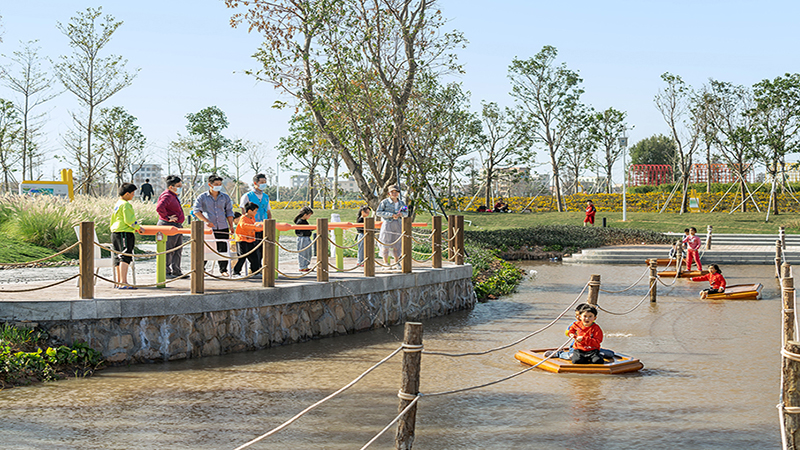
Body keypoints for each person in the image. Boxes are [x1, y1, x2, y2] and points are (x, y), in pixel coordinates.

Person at [193, 174, 235, 277]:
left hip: (222, 226)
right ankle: (201, 269)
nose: (218, 186)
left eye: (220, 184)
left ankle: (223, 270)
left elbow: (229, 212)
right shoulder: (202, 197)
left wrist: (231, 226)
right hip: (208, 228)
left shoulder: (225, 197)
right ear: (210, 185)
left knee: (223, 248)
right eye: (216, 184)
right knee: (207, 248)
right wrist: (206, 221)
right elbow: (196, 211)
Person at [111, 183, 141, 289]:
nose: (133, 196)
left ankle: (120, 282)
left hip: (115, 232)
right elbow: (129, 220)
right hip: (124, 232)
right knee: (125, 256)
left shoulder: (118, 203)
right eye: (132, 193)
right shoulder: (126, 205)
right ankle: (123, 282)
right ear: (127, 193)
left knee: (119, 256)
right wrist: (138, 228)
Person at [155, 175, 185, 278]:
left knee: (177, 249)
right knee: (168, 249)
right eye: (178, 186)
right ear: (171, 186)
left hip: (177, 225)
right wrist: (167, 218)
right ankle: (166, 272)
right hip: (168, 225)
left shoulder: (173, 195)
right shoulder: (167, 195)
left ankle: (176, 271)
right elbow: (159, 207)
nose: (180, 187)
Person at [240, 174, 272, 261]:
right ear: (255, 183)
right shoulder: (247, 196)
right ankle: (255, 268)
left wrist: (269, 223)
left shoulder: (266, 197)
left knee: (263, 248)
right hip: (253, 227)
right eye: (261, 182)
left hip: (263, 227)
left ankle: (260, 267)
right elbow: (243, 212)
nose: (264, 184)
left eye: (265, 182)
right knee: (254, 249)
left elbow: (268, 211)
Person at [375, 185, 408, 269]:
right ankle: (386, 263)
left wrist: (401, 214)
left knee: (397, 244)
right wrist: (390, 215)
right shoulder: (384, 202)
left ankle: (396, 263)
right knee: (385, 243)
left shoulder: (402, 203)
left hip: (398, 224)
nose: (394, 194)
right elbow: (378, 212)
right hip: (387, 224)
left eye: (396, 192)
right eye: (392, 192)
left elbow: (406, 212)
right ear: (389, 193)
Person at [232, 203, 264, 277]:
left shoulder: (252, 218)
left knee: (254, 257)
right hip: (242, 240)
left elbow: (254, 226)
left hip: (250, 240)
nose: (256, 213)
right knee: (242, 256)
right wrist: (254, 226)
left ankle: (255, 271)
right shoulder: (243, 218)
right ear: (249, 211)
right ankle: (236, 272)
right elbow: (243, 225)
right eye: (255, 211)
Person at [294, 206, 314, 272]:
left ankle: (306, 266)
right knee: (303, 252)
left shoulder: (304, 221)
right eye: (309, 215)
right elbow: (306, 228)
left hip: (307, 238)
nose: (309, 217)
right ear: (305, 215)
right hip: (302, 238)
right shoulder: (300, 221)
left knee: (308, 252)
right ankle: (302, 266)